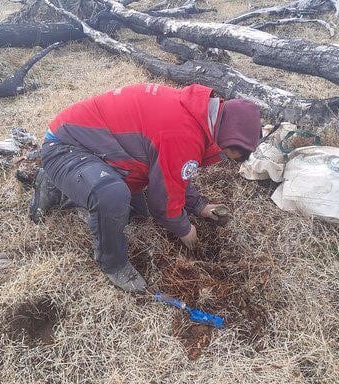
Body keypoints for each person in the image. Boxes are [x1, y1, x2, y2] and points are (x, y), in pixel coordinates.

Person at [29, 83, 261, 292]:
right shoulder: (183, 132)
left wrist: (199, 206)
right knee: (112, 196)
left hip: (100, 148)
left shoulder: (200, 115)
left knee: (136, 213)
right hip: (65, 146)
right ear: (230, 137)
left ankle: (58, 186)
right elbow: (163, 204)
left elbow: (172, 172)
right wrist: (184, 229)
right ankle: (113, 264)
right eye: (231, 154)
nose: (226, 158)